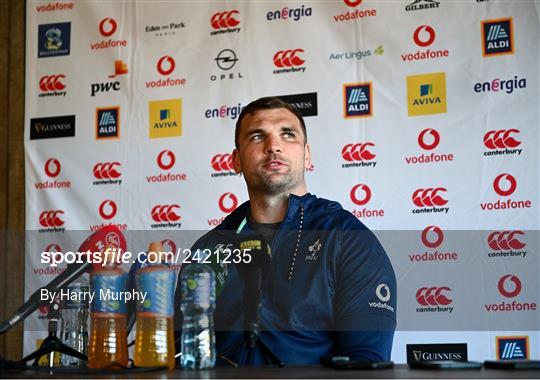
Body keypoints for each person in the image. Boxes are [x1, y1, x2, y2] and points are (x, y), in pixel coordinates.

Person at [175, 97, 396, 365]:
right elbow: (181, 353)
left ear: (306, 154)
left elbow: (365, 363)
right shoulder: (208, 248)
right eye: (257, 137)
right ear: (235, 161)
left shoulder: (348, 239)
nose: (273, 147)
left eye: (287, 134)